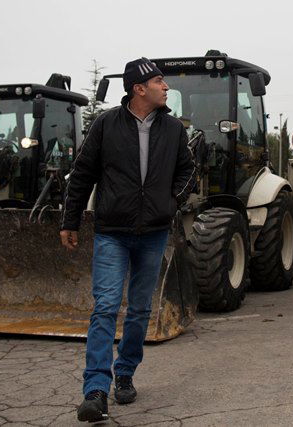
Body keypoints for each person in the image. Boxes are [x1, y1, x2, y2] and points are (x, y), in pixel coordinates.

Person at [61, 57, 195, 423]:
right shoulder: (106, 125)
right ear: (139, 88)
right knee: (105, 306)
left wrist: (170, 202)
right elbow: (83, 173)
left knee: (138, 311)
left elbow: (187, 172)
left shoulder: (173, 130)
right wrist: (69, 220)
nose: (166, 87)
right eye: (159, 81)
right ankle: (95, 391)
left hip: (152, 233)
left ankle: (125, 373)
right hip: (112, 234)